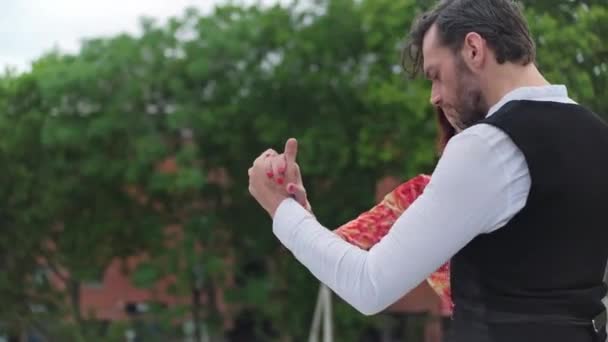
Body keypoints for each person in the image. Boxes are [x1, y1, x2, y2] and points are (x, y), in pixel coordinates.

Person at [247, 0, 608, 341]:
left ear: (473, 49)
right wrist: (306, 215)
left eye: (436, 75)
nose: (433, 96)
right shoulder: (597, 138)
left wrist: (281, 209)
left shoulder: (487, 146)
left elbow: (370, 285)